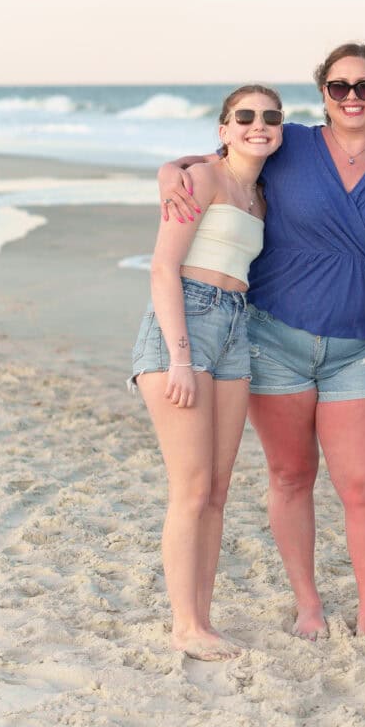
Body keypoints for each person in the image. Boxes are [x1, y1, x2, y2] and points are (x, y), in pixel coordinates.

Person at [158, 42, 365, 639]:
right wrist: (167, 172)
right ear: (323, 93)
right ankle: (308, 604)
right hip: (273, 337)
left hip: (360, 346)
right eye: (339, 86)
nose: (352, 97)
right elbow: (217, 162)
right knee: (289, 476)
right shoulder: (289, 143)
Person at [131, 85, 284, 659]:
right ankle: (183, 625)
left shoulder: (259, 196)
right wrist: (179, 356)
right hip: (186, 326)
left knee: (217, 491)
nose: (257, 125)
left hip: (235, 330)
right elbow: (163, 268)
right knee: (190, 488)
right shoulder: (202, 179)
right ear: (223, 129)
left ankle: (203, 618)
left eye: (270, 117)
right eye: (244, 117)